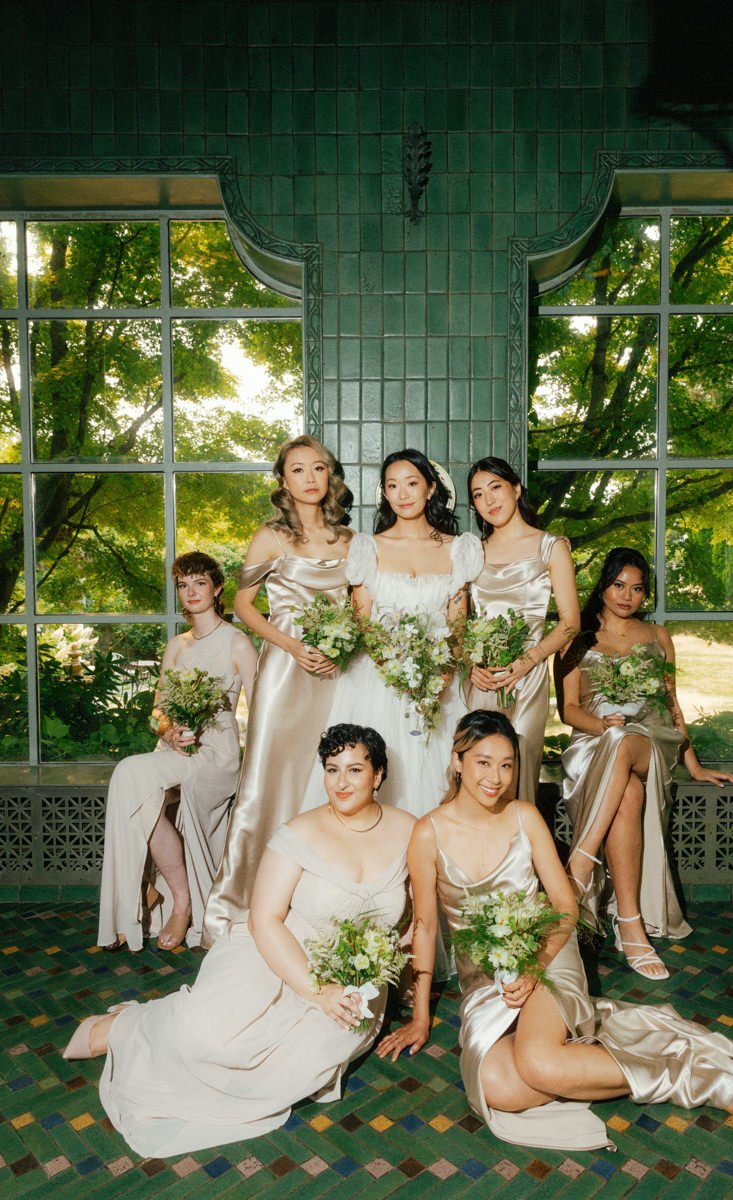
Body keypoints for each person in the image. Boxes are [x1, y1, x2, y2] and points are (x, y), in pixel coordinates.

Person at [378, 710, 733, 1152]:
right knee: (498, 1088)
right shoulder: (427, 832)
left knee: (539, 1063)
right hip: (484, 979)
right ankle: (593, 1054)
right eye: (483, 762)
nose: (496, 777)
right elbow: (426, 924)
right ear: (457, 761)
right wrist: (420, 1018)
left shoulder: (525, 817)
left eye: (507, 764)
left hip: (548, 951)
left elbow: (565, 905)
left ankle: (698, 1080)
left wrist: (535, 967)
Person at [65, 725, 414, 1159]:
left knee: (298, 1068)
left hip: (355, 979)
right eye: (331, 769)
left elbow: (417, 918)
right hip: (276, 949)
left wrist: (395, 973)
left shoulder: (410, 831)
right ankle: (127, 1028)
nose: (341, 783)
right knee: (208, 1036)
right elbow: (266, 921)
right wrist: (315, 990)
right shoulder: (300, 832)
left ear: (378, 775)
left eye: (355, 770)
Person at [558, 548, 733, 979]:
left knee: (626, 741)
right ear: (603, 586)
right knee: (629, 793)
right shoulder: (577, 637)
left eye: (637, 588)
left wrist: (694, 766)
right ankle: (630, 925)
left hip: (652, 743)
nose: (627, 595)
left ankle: (579, 864)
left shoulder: (659, 636)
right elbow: (568, 710)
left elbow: (672, 706)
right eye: (619, 585)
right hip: (594, 743)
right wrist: (601, 723)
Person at [202, 435, 353, 946]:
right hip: (286, 673)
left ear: (330, 478)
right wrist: (290, 645)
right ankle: (238, 906)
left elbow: (360, 609)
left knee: (325, 776)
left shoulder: (349, 540)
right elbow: (244, 606)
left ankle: (314, 904)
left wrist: (343, 643)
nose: (310, 478)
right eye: (298, 470)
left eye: (319, 469)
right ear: (283, 481)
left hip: (336, 671)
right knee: (268, 782)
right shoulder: (269, 536)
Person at [302, 448, 483, 817]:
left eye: (412, 483)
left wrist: (439, 680)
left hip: (436, 680)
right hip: (377, 678)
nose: (402, 494)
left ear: (431, 488)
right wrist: (396, 669)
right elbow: (362, 620)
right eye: (392, 486)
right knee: (370, 779)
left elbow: (458, 627)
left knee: (434, 781)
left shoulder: (458, 548)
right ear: (384, 493)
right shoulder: (368, 547)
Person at [97, 552, 257, 953]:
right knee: (129, 776)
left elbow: (262, 714)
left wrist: (257, 771)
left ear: (217, 588)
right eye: (183, 585)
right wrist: (167, 733)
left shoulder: (238, 643)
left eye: (199, 583)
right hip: (176, 752)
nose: (191, 592)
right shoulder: (176, 646)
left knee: (138, 780)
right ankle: (172, 899)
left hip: (217, 757)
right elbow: (158, 712)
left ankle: (169, 898)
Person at [466, 457, 580, 800]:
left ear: (516, 489)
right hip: (483, 681)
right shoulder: (474, 552)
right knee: (477, 775)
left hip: (527, 681)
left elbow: (571, 623)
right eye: (478, 494)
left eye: (495, 487)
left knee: (518, 775)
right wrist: (470, 666)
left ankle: (520, 853)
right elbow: (458, 623)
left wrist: (525, 663)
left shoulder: (551, 546)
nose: (489, 500)